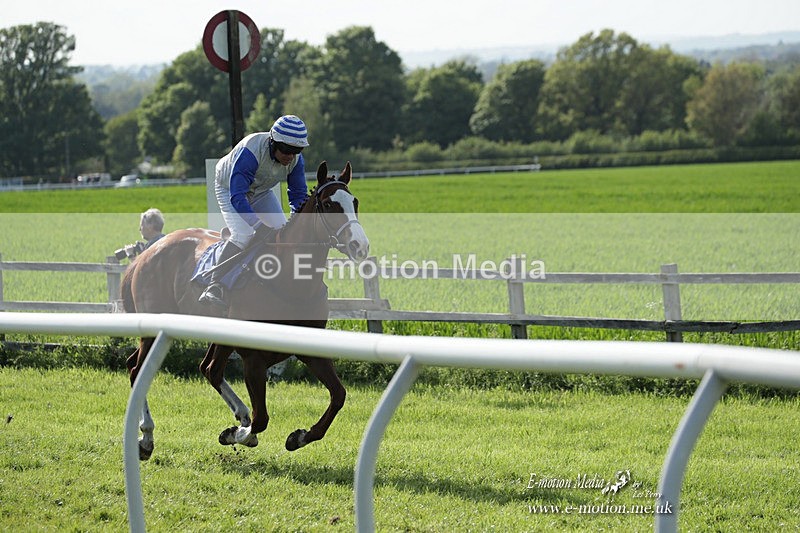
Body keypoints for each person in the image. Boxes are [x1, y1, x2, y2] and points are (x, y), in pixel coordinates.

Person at [199, 114, 310, 307]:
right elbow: (238, 196)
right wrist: (258, 224)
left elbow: (298, 194)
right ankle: (214, 285)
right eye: (286, 150)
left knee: (282, 232)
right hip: (229, 188)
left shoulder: (295, 161)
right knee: (244, 234)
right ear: (273, 142)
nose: (290, 156)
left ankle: (274, 281)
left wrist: (297, 221)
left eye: (296, 150)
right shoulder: (250, 152)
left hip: (261, 191)